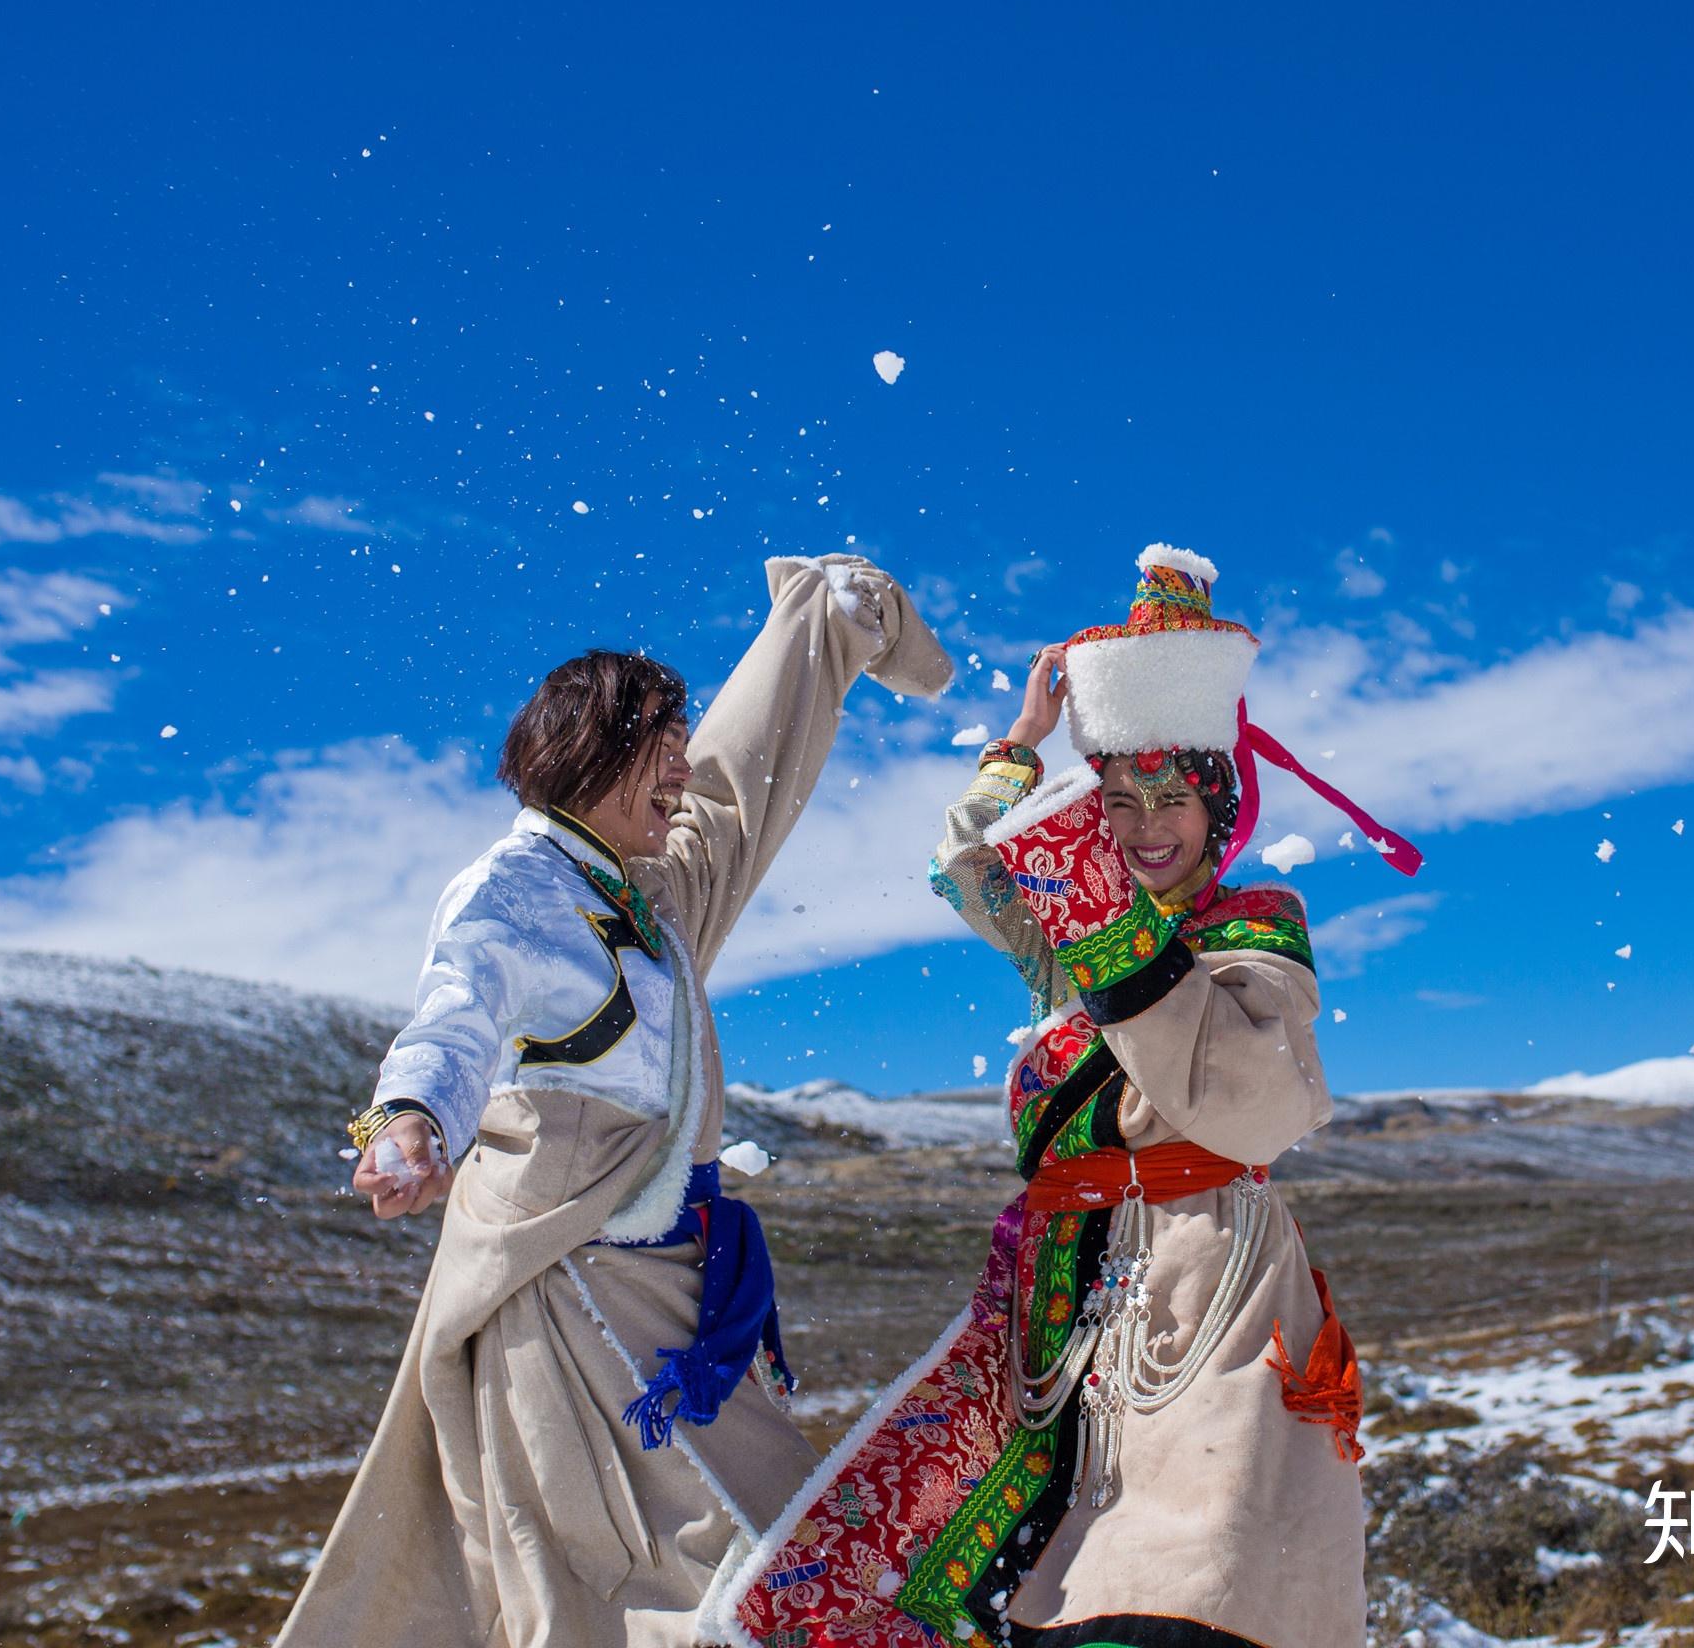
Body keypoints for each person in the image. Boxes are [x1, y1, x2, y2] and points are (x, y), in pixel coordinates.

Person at [714, 545, 1421, 1648]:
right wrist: (1018, 748)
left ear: (1217, 805)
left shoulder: (1255, 926)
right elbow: (966, 865)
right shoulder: (1069, 954)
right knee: (972, 1570)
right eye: (1120, 801)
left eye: (1172, 798)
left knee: (1188, 1572)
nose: (1145, 826)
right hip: (1055, 1295)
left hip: (1208, 1282)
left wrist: (1089, 896)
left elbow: (1249, 1102)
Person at [280, 553, 952, 1648]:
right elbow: (456, 1012)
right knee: (647, 1581)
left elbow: (740, 783)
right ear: (594, 749)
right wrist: (412, 1118)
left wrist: (819, 630)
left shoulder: (651, 889)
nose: (682, 773)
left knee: (772, 1552)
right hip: (570, 1291)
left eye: (682, 748)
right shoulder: (514, 888)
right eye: (662, 750)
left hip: (676, 1286)